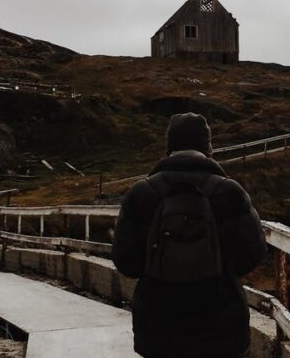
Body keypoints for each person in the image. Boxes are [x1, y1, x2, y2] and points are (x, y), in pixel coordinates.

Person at [112, 112, 267, 358]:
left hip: (158, 328)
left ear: (169, 146)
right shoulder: (229, 192)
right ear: (207, 146)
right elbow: (252, 254)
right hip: (222, 327)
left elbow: (125, 261)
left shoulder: (141, 194)